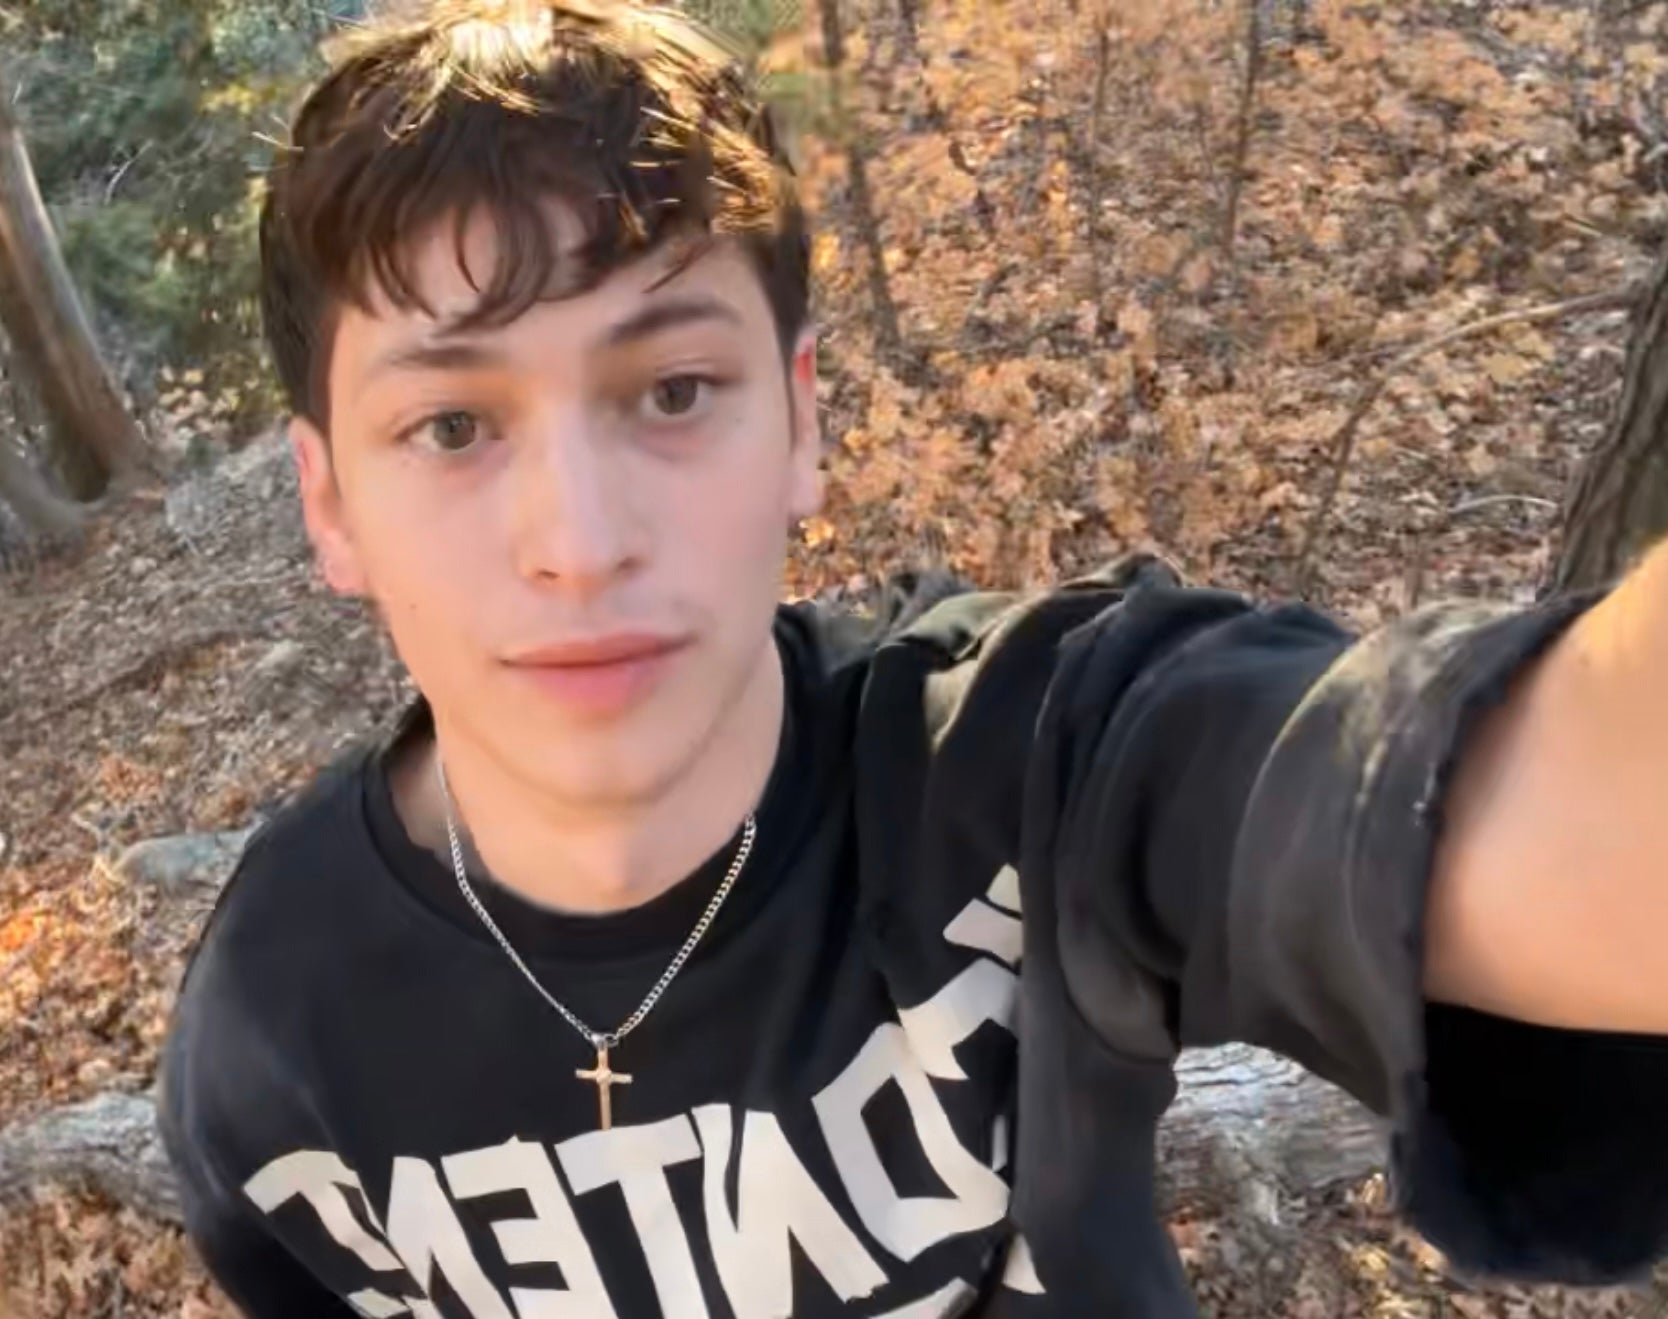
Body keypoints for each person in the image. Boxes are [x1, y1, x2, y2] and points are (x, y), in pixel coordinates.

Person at [157, 1, 1668, 1315]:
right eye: (452, 425)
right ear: (331, 504)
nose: (580, 540)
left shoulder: (1032, 762)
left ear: (800, 423)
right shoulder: (274, 1032)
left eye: (673, 391)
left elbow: (1564, 825)